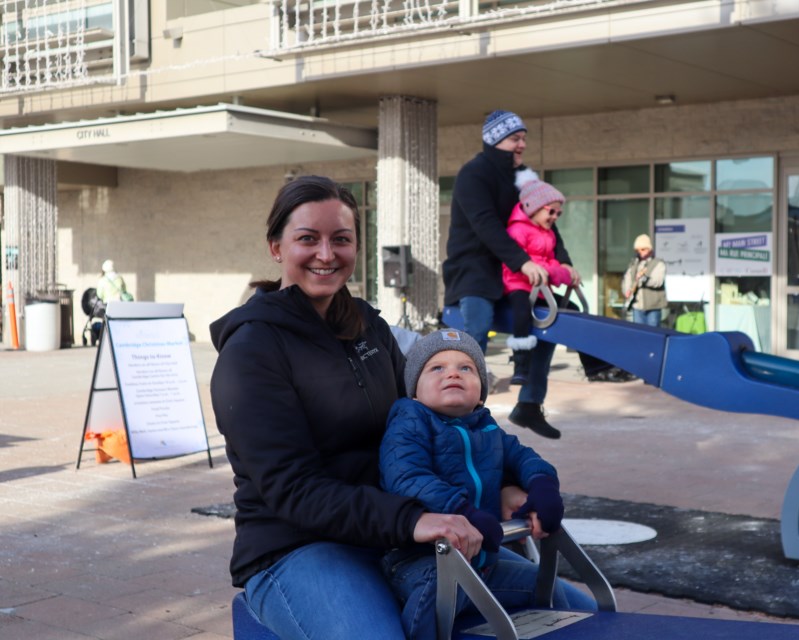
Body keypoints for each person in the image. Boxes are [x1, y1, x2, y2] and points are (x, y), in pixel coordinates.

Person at [208, 176, 484, 639]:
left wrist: (510, 482)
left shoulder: (368, 328)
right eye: (307, 239)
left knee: (562, 603)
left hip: (387, 534)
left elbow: (426, 421)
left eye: (341, 239)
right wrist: (411, 519)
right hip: (296, 546)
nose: (326, 253)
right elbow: (293, 489)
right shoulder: (252, 350)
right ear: (276, 247)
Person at [379, 329, 595, 640]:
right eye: (436, 368)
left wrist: (543, 485)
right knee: (432, 598)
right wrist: (461, 510)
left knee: (544, 586)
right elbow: (405, 477)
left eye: (465, 368)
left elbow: (523, 457)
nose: (452, 372)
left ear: (480, 392)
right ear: (414, 390)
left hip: (483, 566)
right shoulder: (410, 421)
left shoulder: (487, 427)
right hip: (421, 561)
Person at [443, 110, 626, 441]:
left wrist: (565, 262)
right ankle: (456, 411)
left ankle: (529, 404)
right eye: (516, 139)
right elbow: (485, 224)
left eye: (524, 138)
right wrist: (522, 261)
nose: (522, 144)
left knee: (553, 320)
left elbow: (546, 223)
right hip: (476, 268)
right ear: (495, 141)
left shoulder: (523, 178)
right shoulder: (474, 175)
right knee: (477, 327)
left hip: (516, 270)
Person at [503, 171, 571, 385]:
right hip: (518, 285)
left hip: (541, 288)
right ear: (533, 207)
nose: (554, 218)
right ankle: (520, 365)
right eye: (551, 212)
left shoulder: (548, 233)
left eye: (558, 214)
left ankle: (593, 363)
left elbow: (550, 262)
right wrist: (556, 272)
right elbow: (518, 262)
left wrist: (563, 271)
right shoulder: (517, 230)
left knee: (573, 309)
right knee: (522, 313)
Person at [621, 234, 666, 326]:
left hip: (653, 306)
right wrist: (627, 291)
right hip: (637, 306)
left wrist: (644, 279)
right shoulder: (634, 263)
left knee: (653, 335)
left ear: (649, 249)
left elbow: (658, 281)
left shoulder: (658, 263)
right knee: (639, 335)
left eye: (643, 249)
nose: (640, 252)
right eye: (638, 250)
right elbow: (628, 278)